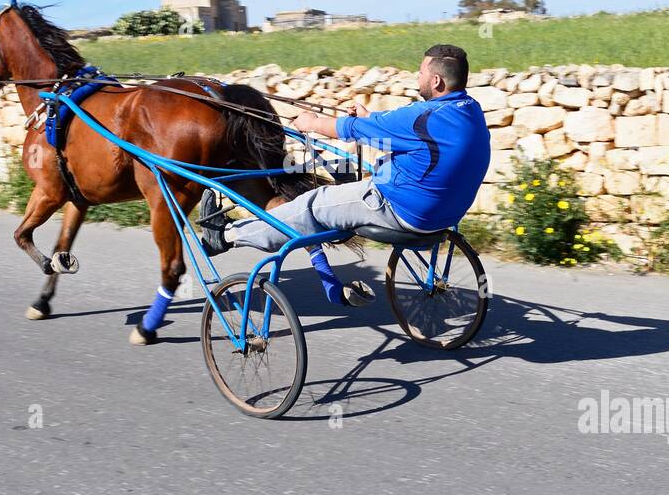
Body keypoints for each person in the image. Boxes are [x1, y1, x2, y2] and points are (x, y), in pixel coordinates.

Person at [199, 44, 491, 304]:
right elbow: (392, 128)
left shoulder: (423, 117)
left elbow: (350, 130)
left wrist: (311, 122)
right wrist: (368, 117)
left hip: (396, 208)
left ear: (436, 80)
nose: (417, 77)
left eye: (420, 73)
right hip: (445, 215)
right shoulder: (470, 110)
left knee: (307, 205)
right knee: (346, 172)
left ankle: (225, 235)